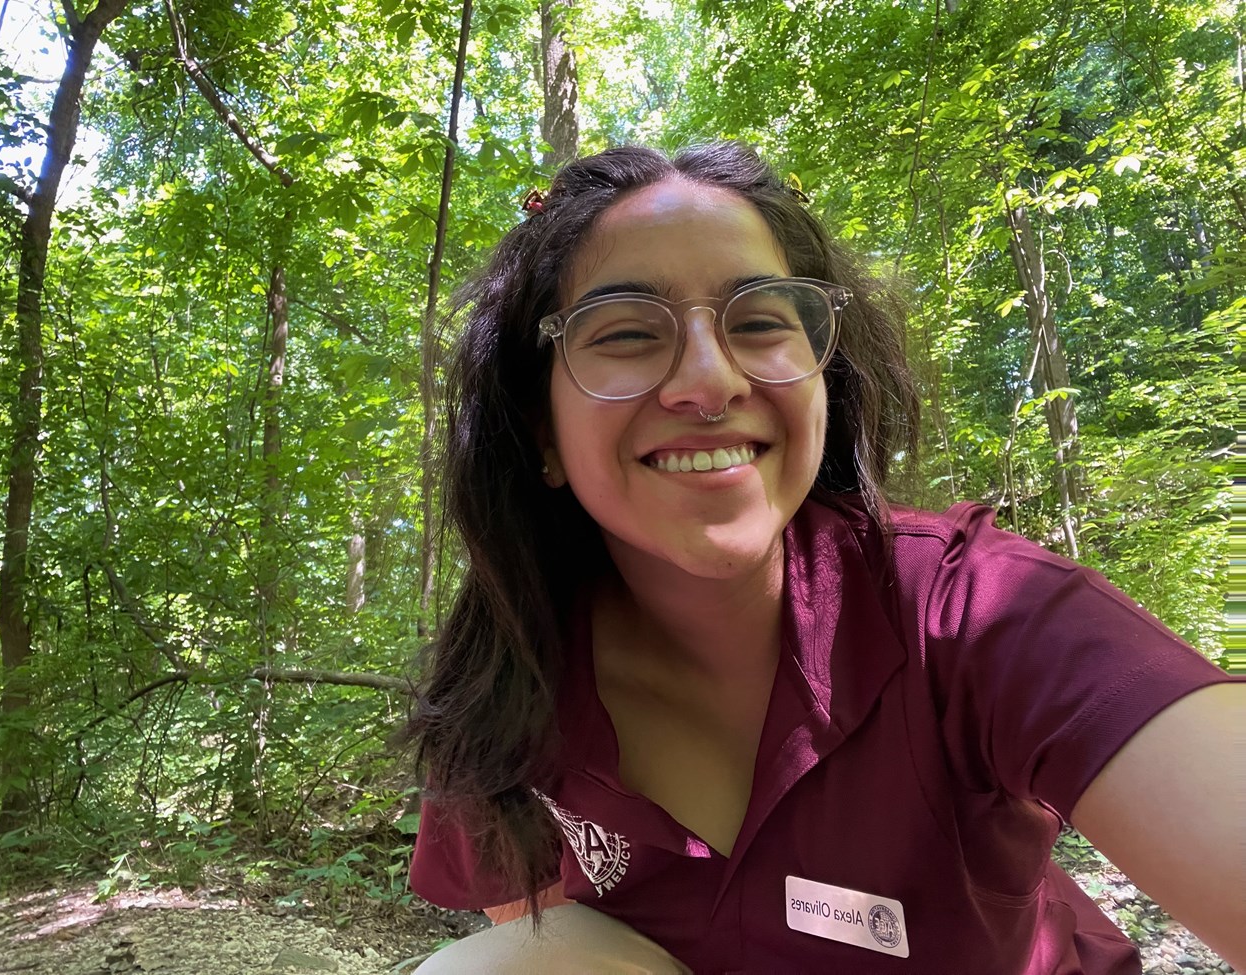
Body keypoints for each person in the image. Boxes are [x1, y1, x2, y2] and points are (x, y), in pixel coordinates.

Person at [402, 142, 1243, 974]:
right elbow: (529, 934)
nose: (709, 380)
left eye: (762, 320)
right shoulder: (502, 687)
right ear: (541, 431)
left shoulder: (974, 607)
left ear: (824, 383)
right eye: (625, 332)